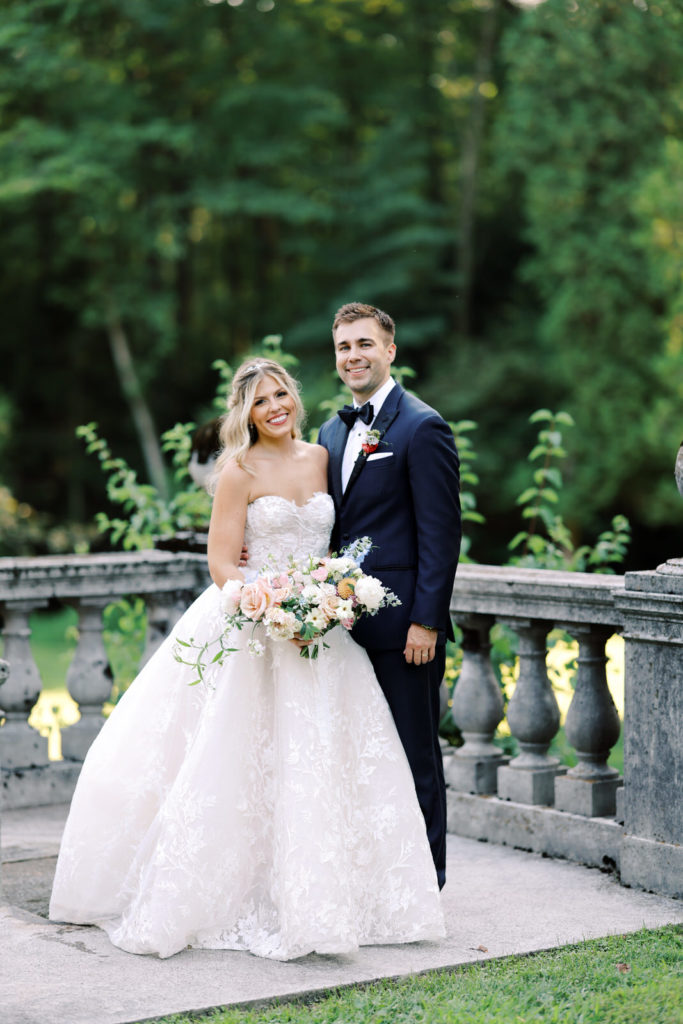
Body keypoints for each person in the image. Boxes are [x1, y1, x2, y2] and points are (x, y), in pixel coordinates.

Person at [50, 358, 445, 961]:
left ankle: (337, 897)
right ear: (246, 412)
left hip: (323, 635)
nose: (276, 407)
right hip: (256, 628)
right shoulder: (236, 471)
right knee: (242, 765)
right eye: (262, 401)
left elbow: (343, 538)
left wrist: (324, 596)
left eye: (282, 393)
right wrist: (263, 602)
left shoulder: (321, 457)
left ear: (295, 397)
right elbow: (222, 562)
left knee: (327, 766)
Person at [318, 303, 461, 890]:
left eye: (364, 344)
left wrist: (426, 622)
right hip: (342, 628)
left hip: (406, 633)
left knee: (413, 757)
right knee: (358, 758)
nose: (353, 355)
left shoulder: (421, 427)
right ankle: (370, 879)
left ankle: (425, 883)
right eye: (344, 347)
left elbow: (441, 532)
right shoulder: (329, 433)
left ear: (390, 351)